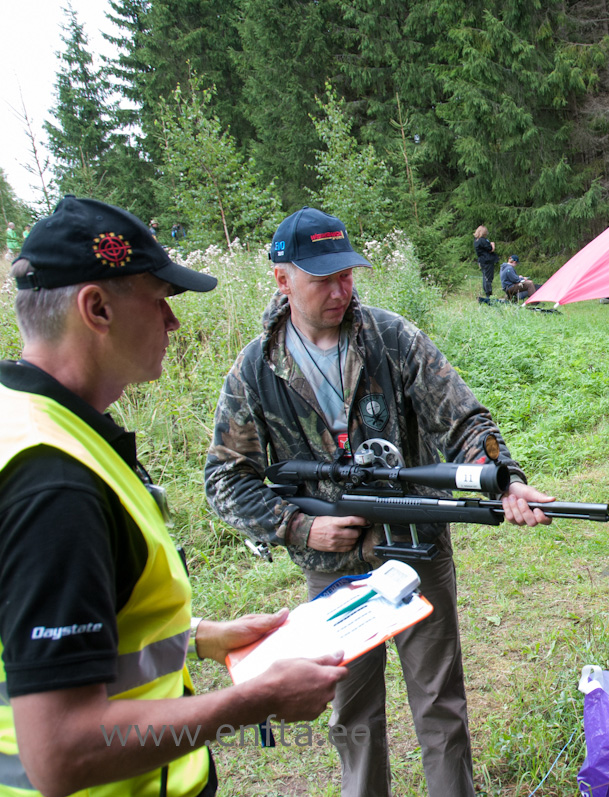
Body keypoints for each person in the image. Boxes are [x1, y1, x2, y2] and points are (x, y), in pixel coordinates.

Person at [0, 196, 346, 797]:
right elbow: (60, 751)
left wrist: (196, 637)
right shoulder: (54, 484)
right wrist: (254, 700)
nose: (172, 321)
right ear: (97, 308)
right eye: (159, 298)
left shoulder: (25, 424)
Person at [205, 206, 556, 797]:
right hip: (332, 570)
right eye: (323, 279)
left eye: (347, 275)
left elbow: (463, 419)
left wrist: (503, 479)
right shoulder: (255, 371)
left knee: (441, 705)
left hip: (416, 548)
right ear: (282, 279)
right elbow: (224, 478)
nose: (341, 291)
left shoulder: (391, 337)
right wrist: (298, 527)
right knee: (353, 716)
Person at [472, 225, 498, 298]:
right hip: (487, 261)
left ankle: (487, 292)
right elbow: (490, 249)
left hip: (482, 260)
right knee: (488, 278)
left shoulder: (476, 241)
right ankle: (488, 294)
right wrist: (493, 245)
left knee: (485, 276)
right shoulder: (483, 240)